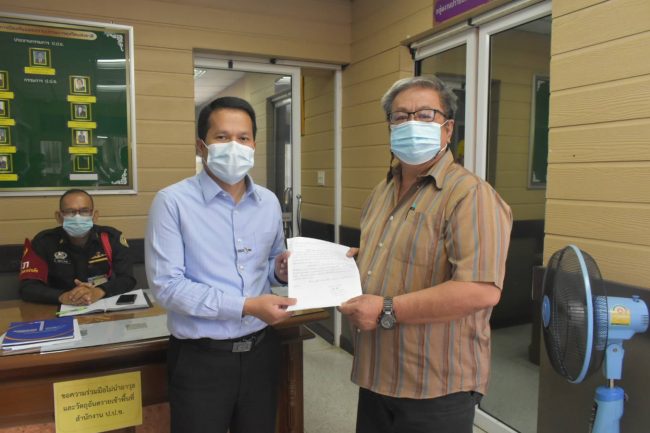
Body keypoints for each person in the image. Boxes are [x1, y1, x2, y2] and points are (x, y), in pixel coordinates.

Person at [339, 76, 513, 433]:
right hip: (377, 371)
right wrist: (342, 264)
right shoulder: (381, 192)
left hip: (436, 384)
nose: (411, 124)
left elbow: (481, 290)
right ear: (390, 127)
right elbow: (394, 257)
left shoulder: (470, 195)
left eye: (424, 115)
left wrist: (386, 309)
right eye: (400, 116)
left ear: (447, 129)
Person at [145, 96, 296, 433]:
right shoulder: (172, 203)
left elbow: (270, 263)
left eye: (243, 138)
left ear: (254, 145)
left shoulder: (268, 202)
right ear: (202, 146)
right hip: (201, 358)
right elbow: (167, 287)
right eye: (222, 137)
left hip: (261, 351)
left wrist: (279, 270)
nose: (234, 147)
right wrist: (246, 306)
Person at [19, 189, 137, 305]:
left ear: (94, 216)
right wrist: (63, 296)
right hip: (58, 308)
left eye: (84, 211)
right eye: (70, 211)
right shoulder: (43, 242)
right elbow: (28, 288)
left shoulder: (111, 238)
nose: (77, 217)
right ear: (59, 216)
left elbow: (127, 279)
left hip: (101, 306)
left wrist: (98, 291)